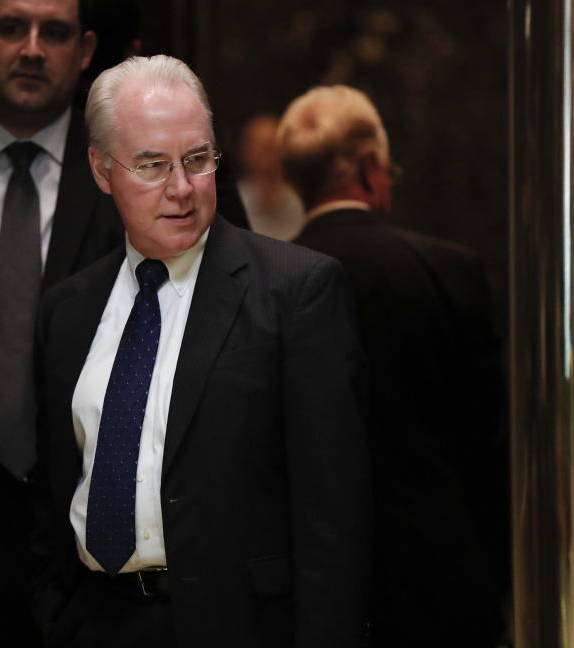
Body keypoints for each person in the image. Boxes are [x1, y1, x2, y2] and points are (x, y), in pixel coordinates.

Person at [0, 1, 247, 644]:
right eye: (11, 27)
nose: (31, 48)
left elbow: (229, 305)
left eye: (54, 32)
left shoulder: (153, 170)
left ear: (84, 52)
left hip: (108, 548)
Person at [33, 54, 373, 648]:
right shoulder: (68, 311)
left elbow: (334, 523)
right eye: (152, 166)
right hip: (95, 621)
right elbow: (54, 489)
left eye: (197, 160)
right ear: (100, 169)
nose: (182, 188)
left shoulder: (296, 293)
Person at [279, 85, 509, 647]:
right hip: (443, 585)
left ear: (296, 179)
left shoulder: (267, 286)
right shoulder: (451, 272)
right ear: (371, 166)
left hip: (314, 594)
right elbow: (488, 447)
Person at [236, 113, 306, 240]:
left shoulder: (300, 202)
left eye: (277, 147)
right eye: (266, 148)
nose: (272, 156)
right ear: (245, 151)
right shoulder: (230, 203)